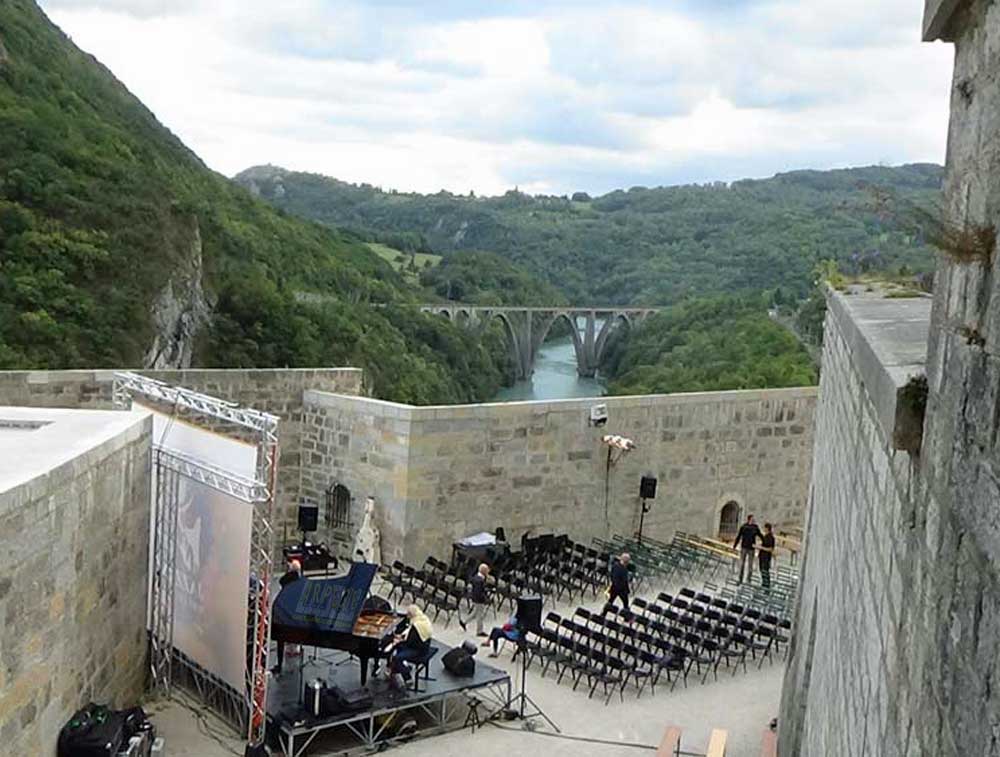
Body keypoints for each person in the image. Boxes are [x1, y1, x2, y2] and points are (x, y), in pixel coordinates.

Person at [390, 605, 434, 689]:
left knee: (397, 657)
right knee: (400, 647)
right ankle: (397, 669)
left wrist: (398, 639)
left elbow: (410, 642)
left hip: (419, 650)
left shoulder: (416, 626)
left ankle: (407, 678)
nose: (407, 616)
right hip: (425, 645)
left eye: (408, 615)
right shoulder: (423, 618)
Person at [271, 558, 302, 676]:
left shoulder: (288, 578)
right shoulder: (299, 579)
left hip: (286, 611)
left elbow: (281, 581)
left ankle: (279, 665)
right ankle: (294, 648)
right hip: (295, 611)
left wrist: (288, 571)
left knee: (282, 635)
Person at [458, 563, 491, 637]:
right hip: (479, 600)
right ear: (484, 571)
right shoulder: (480, 580)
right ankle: (479, 631)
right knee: (480, 616)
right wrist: (485, 598)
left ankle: (464, 622)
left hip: (475, 598)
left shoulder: (476, 577)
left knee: (475, 613)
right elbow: (478, 592)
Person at [733, 514, 763, 584]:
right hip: (744, 547)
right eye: (752, 519)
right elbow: (739, 536)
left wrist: (764, 542)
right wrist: (735, 545)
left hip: (751, 548)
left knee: (750, 565)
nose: (753, 520)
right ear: (749, 519)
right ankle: (740, 579)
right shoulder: (744, 527)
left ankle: (748, 579)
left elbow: (760, 535)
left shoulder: (755, 527)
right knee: (742, 564)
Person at [759, 523, 776, 590]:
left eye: (765, 528)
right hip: (762, 556)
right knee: (762, 571)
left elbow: (771, 549)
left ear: (767, 529)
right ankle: (763, 584)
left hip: (766, 558)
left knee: (765, 571)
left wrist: (761, 548)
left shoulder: (771, 538)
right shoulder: (765, 536)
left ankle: (766, 586)